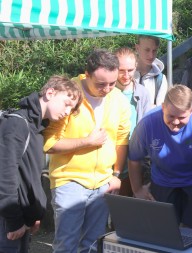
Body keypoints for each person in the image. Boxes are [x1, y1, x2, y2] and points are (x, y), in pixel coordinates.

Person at [43, 49, 131, 253]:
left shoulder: (118, 99)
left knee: (93, 244)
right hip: (69, 180)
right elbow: (49, 144)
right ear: (87, 74)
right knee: (67, 244)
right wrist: (86, 142)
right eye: (101, 84)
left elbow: (121, 139)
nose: (107, 89)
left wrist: (116, 174)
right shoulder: (68, 94)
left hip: (103, 181)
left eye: (112, 83)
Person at [128, 85, 192, 230]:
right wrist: (137, 189)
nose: (175, 122)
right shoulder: (147, 123)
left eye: (181, 117)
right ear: (163, 107)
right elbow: (134, 158)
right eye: (170, 116)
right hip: (164, 181)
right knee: (163, 230)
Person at [0, 75, 82, 253]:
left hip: (21, 219)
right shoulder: (16, 124)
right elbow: (5, 177)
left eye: (72, 108)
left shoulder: (37, 130)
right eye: (66, 103)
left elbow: (28, 177)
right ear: (50, 93)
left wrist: (33, 215)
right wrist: (15, 222)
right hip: (8, 220)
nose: (68, 112)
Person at [114, 47, 152, 197]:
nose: (126, 75)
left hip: (134, 152)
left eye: (130, 70)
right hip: (112, 151)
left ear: (136, 67)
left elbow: (146, 123)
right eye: (121, 70)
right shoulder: (107, 91)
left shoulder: (142, 92)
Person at [135, 35, 169, 108]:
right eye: (147, 50)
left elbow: (159, 110)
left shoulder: (160, 79)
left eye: (154, 50)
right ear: (137, 48)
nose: (151, 55)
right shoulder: (126, 73)